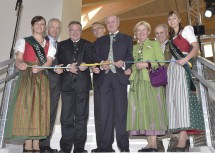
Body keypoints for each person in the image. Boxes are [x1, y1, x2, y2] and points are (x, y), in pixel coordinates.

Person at [4, 16, 56, 152]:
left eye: (43, 24)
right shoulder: (24, 41)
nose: (40, 26)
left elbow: (49, 61)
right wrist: (20, 64)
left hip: (41, 76)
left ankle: (37, 143)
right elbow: (19, 59)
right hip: (27, 76)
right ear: (32, 26)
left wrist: (41, 68)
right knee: (27, 107)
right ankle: (27, 143)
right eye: (37, 24)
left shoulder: (50, 44)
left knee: (40, 108)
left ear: (45, 27)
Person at [93, 15, 133, 152]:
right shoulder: (100, 41)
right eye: (108, 22)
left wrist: (124, 64)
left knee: (121, 114)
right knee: (105, 114)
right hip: (104, 80)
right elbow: (95, 56)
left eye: (113, 22)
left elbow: (130, 56)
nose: (111, 24)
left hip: (119, 78)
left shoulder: (127, 38)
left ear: (118, 22)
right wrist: (101, 63)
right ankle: (105, 147)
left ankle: (124, 147)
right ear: (106, 25)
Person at [126, 21, 168, 152]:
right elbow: (134, 64)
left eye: (143, 30)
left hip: (151, 82)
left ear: (148, 32)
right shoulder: (133, 48)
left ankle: (154, 144)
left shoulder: (155, 44)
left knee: (152, 111)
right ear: (135, 34)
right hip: (137, 84)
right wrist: (130, 70)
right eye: (138, 31)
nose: (141, 33)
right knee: (142, 112)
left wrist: (147, 64)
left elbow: (162, 62)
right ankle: (149, 144)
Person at [166, 11, 205, 152]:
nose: (172, 21)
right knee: (175, 102)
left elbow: (196, 47)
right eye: (169, 19)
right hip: (173, 69)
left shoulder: (187, 29)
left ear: (179, 19)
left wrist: (186, 59)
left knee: (183, 101)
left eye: (174, 18)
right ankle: (185, 139)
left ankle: (183, 138)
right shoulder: (171, 37)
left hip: (182, 67)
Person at [55, 21, 93, 153]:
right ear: (68, 31)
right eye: (72, 30)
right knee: (66, 118)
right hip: (66, 86)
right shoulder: (61, 45)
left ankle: (79, 149)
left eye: (78, 30)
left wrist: (86, 64)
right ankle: (65, 149)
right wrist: (66, 67)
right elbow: (57, 62)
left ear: (81, 32)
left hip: (82, 86)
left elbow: (91, 59)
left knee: (81, 118)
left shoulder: (88, 44)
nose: (75, 33)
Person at [39, 18, 62, 153]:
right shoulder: (41, 42)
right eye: (52, 27)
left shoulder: (60, 45)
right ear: (48, 28)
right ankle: (35, 143)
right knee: (39, 113)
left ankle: (45, 145)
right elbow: (40, 60)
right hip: (42, 82)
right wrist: (53, 68)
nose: (55, 30)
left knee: (52, 114)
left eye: (57, 28)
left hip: (56, 84)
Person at [90, 22, 106, 152]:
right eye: (93, 30)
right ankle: (101, 146)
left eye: (99, 28)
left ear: (104, 29)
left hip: (114, 83)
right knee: (99, 115)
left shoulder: (114, 42)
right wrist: (92, 67)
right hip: (99, 83)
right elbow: (91, 61)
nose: (96, 31)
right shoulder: (92, 46)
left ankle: (109, 145)